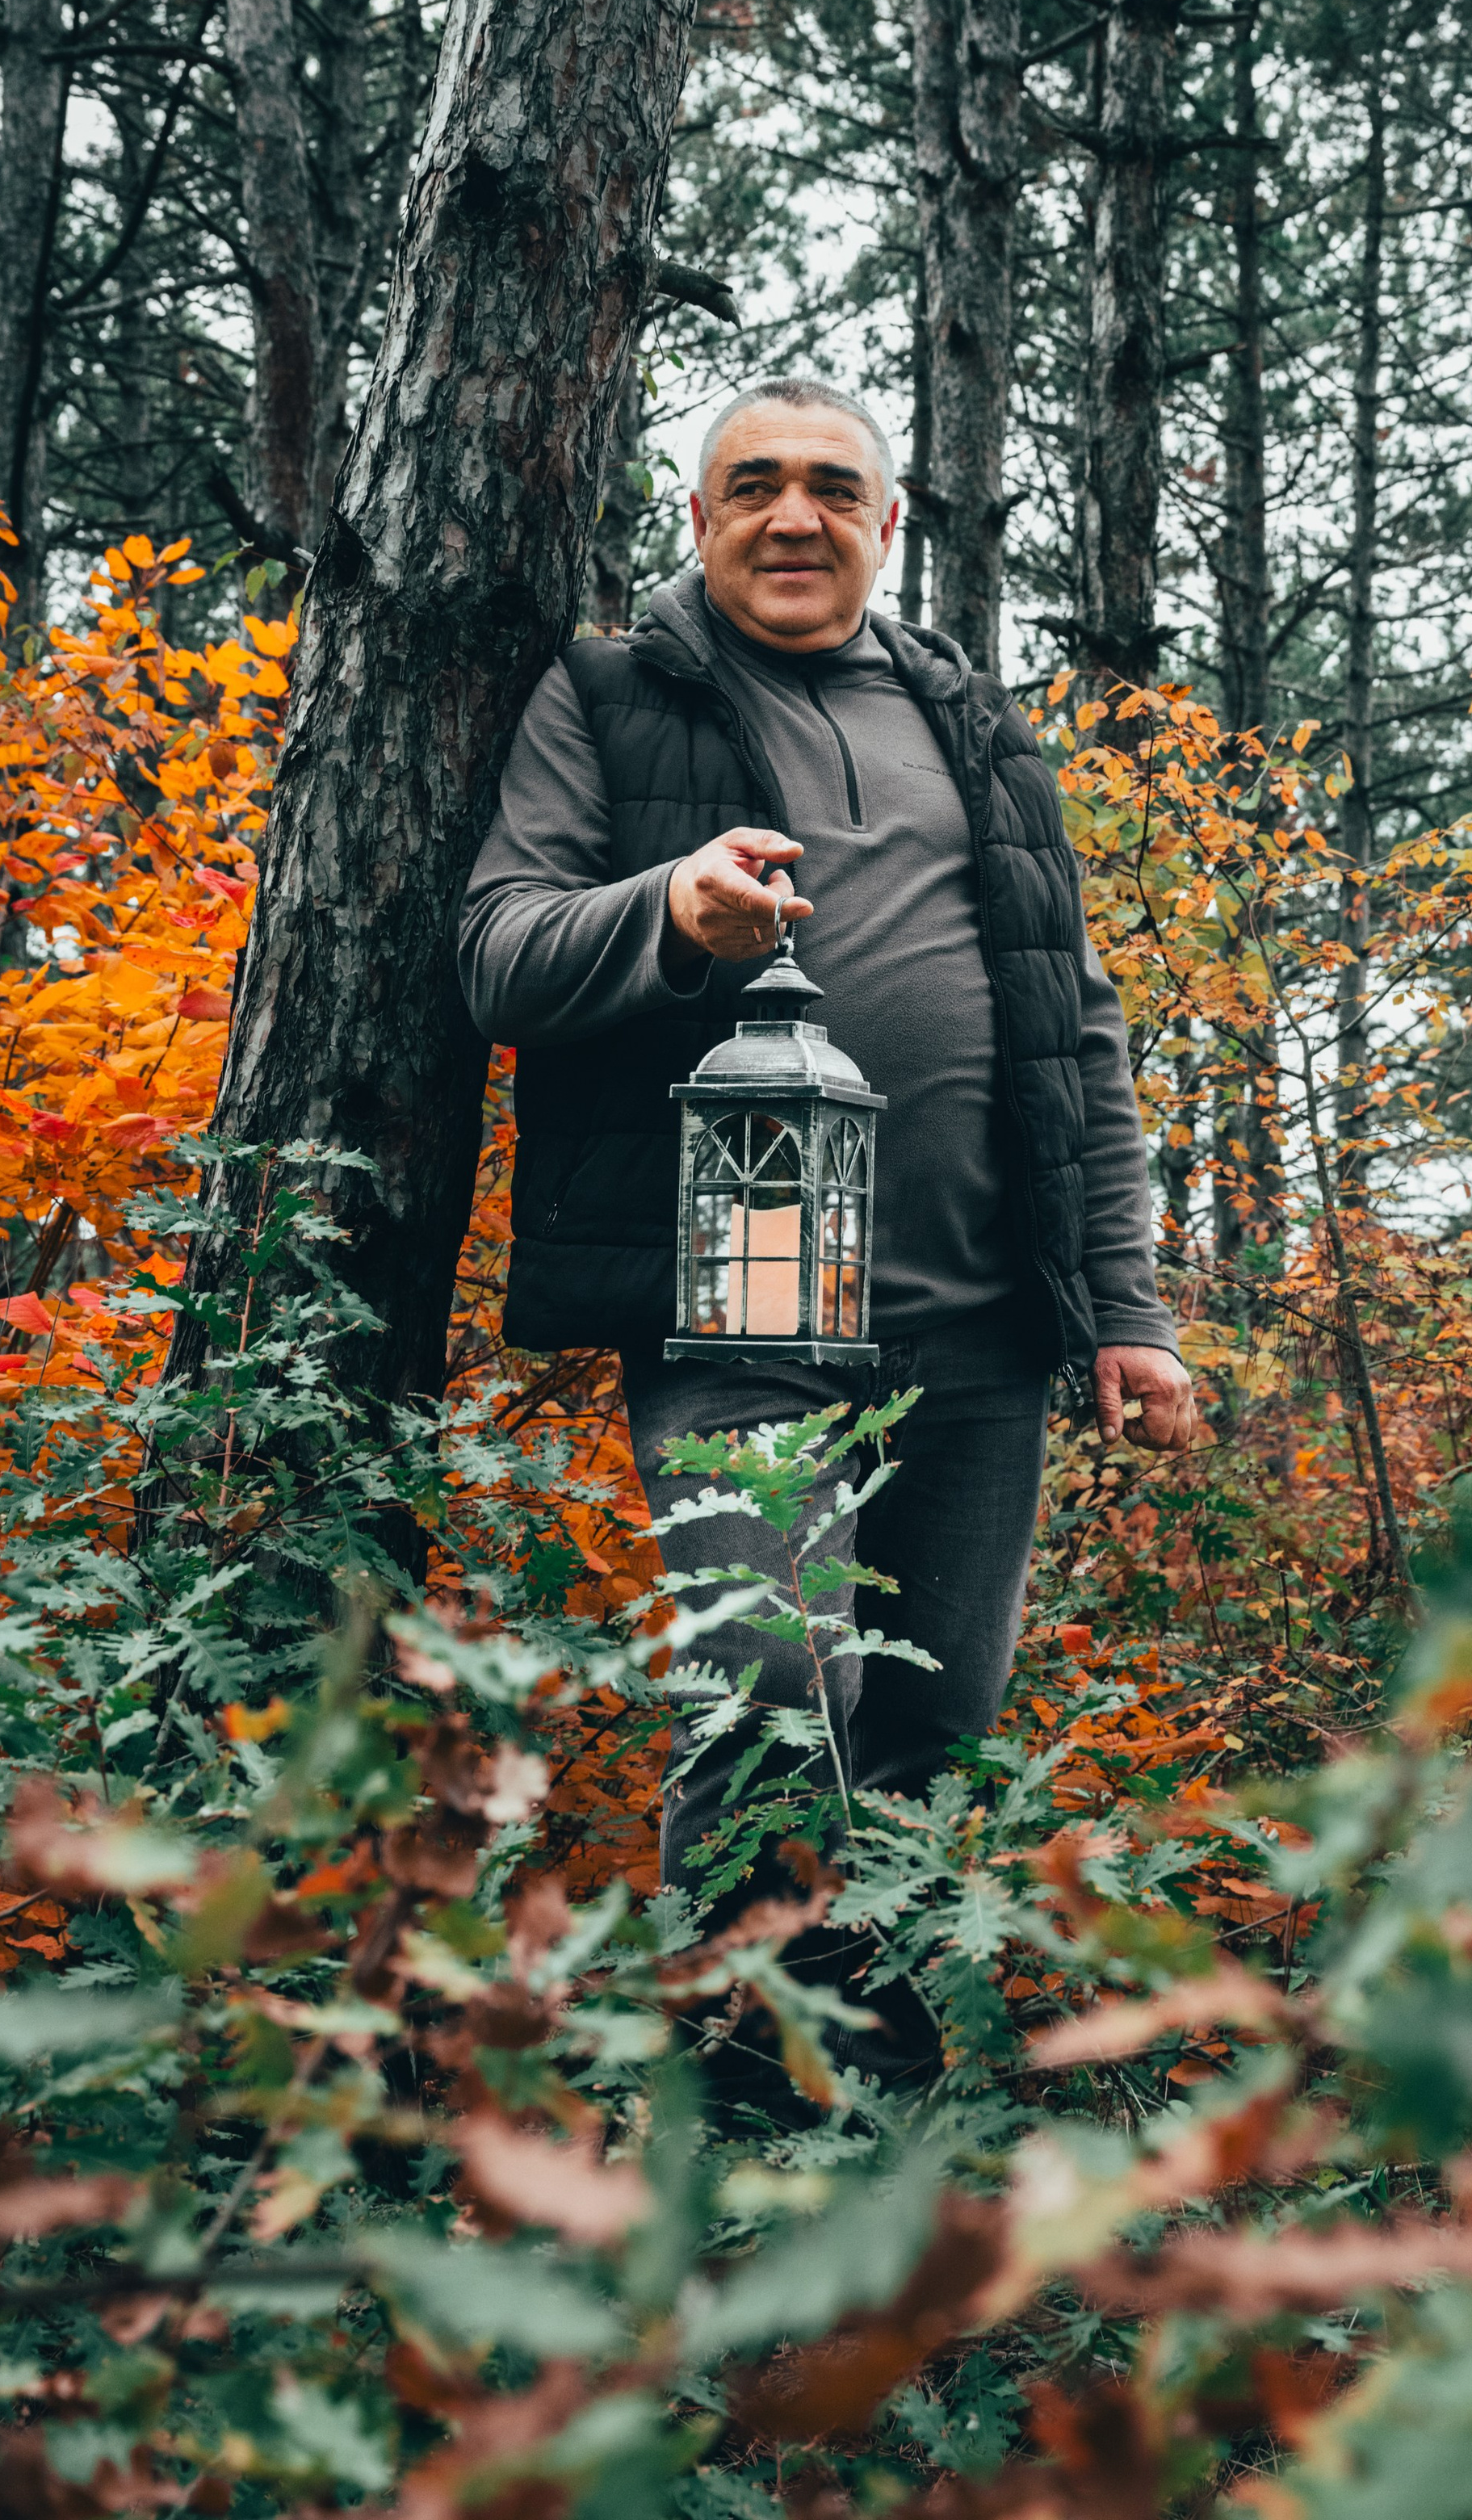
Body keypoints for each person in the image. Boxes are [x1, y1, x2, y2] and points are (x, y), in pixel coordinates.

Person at [457, 375, 1199, 1921]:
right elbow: (500, 952)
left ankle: (888, 2112)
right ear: (699, 514)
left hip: (979, 1323)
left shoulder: (977, 725)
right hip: (744, 1310)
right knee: (773, 1685)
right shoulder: (608, 695)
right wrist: (669, 911)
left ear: (889, 520)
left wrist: (1122, 1309)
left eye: (832, 489)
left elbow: (1076, 1031)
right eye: (754, 485)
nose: (794, 516)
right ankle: (741, 2097)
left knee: (938, 1735)